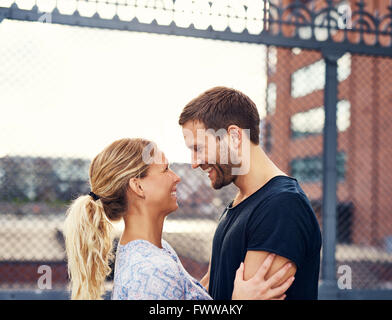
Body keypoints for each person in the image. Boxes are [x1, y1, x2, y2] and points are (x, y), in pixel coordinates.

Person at [63, 138, 295, 300]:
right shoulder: (151, 272)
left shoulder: (156, 250)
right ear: (138, 185)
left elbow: (186, 292)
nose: (176, 178)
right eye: (165, 170)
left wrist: (225, 252)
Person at [179, 86, 322, 300]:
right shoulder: (239, 203)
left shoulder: (282, 206)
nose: (194, 162)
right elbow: (212, 287)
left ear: (234, 137)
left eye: (199, 148)